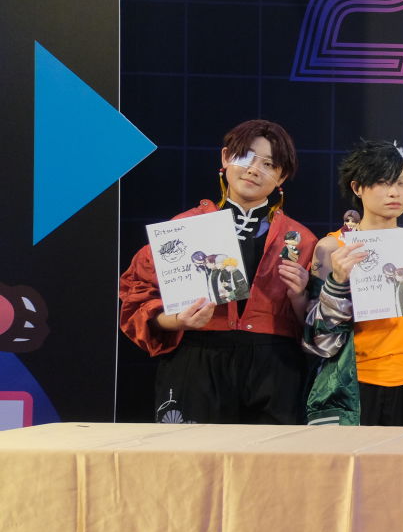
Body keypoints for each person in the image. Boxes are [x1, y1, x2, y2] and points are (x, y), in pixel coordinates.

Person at [119, 119, 317, 424]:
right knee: (193, 454)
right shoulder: (182, 229)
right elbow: (137, 299)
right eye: (245, 157)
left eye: (269, 164)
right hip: (197, 360)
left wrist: (300, 295)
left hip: (275, 370)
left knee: (271, 454)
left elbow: (324, 327)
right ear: (225, 157)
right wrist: (178, 320)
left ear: (282, 177)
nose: (254, 169)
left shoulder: (302, 240)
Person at [305, 141, 403, 426]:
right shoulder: (332, 249)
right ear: (357, 188)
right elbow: (317, 340)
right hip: (352, 389)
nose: (394, 192)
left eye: (401, 183)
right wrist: (337, 283)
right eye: (382, 182)